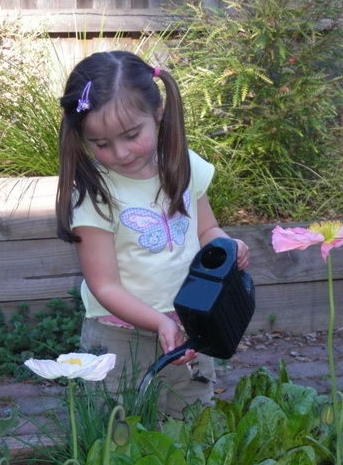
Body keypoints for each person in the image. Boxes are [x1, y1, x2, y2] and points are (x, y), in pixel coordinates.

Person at [56, 51, 250, 419]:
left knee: (191, 424)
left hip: (191, 327)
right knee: (120, 433)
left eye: (131, 135)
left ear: (158, 113)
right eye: (101, 144)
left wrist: (227, 247)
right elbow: (105, 286)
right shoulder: (94, 196)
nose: (120, 152)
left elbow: (206, 229)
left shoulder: (185, 166)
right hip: (119, 338)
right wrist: (160, 322)